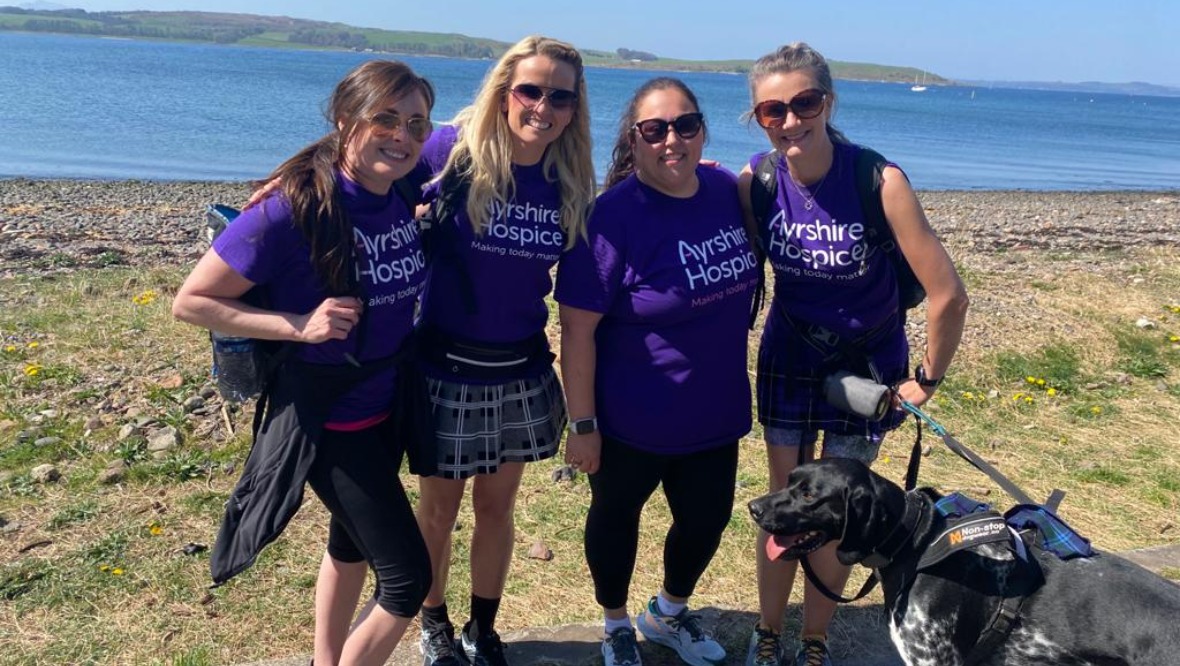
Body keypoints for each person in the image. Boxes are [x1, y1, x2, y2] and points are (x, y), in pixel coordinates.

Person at [316, 36, 594, 666]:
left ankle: (483, 629)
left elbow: (579, 306)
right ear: (504, 91)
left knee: (498, 510)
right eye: (529, 90)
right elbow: (358, 171)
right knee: (437, 511)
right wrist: (286, 191)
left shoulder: (570, 183)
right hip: (441, 366)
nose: (542, 107)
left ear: (574, 109)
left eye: (559, 96)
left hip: (519, 369)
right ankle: (434, 627)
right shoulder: (450, 153)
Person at [172, 60, 437, 666]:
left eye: (417, 124)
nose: (403, 136)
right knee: (406, 581)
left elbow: (479, 139)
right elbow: (191, 302)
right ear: (346, 122)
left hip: (385, 404)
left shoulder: (398, 181)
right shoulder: (289, 210)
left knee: (350, 544)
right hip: (332, 423)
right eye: (386, 120)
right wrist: (298, 326)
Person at [736, 43, 969, 666]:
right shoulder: (756, 181)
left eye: (803, 102)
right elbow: (728, 262)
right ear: (758, 116)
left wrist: (926, 382)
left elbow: (948, 294)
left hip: (866, 368)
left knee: (835, 512)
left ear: (827, 102)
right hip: (789, 354)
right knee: (784, 501)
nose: (789, 120)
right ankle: (767, 633)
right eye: (772, 109)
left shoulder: (878, 179)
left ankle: (814, 642)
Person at [556, 77, 759, 666]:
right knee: (616, 520)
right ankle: (616, 623)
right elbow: (577, 330)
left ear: (701, 130)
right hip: (630, 419)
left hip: (716, 411)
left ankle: (668, 614)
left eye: (685, 125)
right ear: (634, 139)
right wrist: (583, 423)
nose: (673, 139)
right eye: (655, 129)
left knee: (706, 522)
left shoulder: (726, 190)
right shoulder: (611, 218)